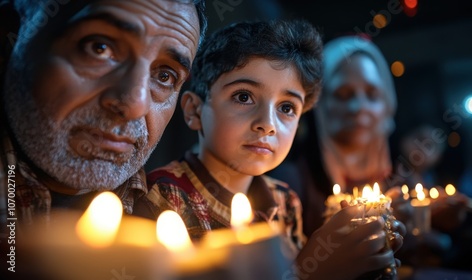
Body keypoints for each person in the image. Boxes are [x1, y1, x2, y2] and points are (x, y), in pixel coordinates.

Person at [133, 20, 405, 280]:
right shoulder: (161, 199)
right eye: (243, 96)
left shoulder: (285, 202)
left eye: (286, 108)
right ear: (194, 110)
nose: (267, 124)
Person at [0, 0, 206, 277]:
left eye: (164, 76)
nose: (134, 103)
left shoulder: (181, 225)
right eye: (99, 48)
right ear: (13, 33)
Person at [267, 34, 404, 238]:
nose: (359, 107)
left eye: (372, 94)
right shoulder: (289, 186)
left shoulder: (402, 178)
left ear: (387, 103)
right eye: (343, 94)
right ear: (319, 105)